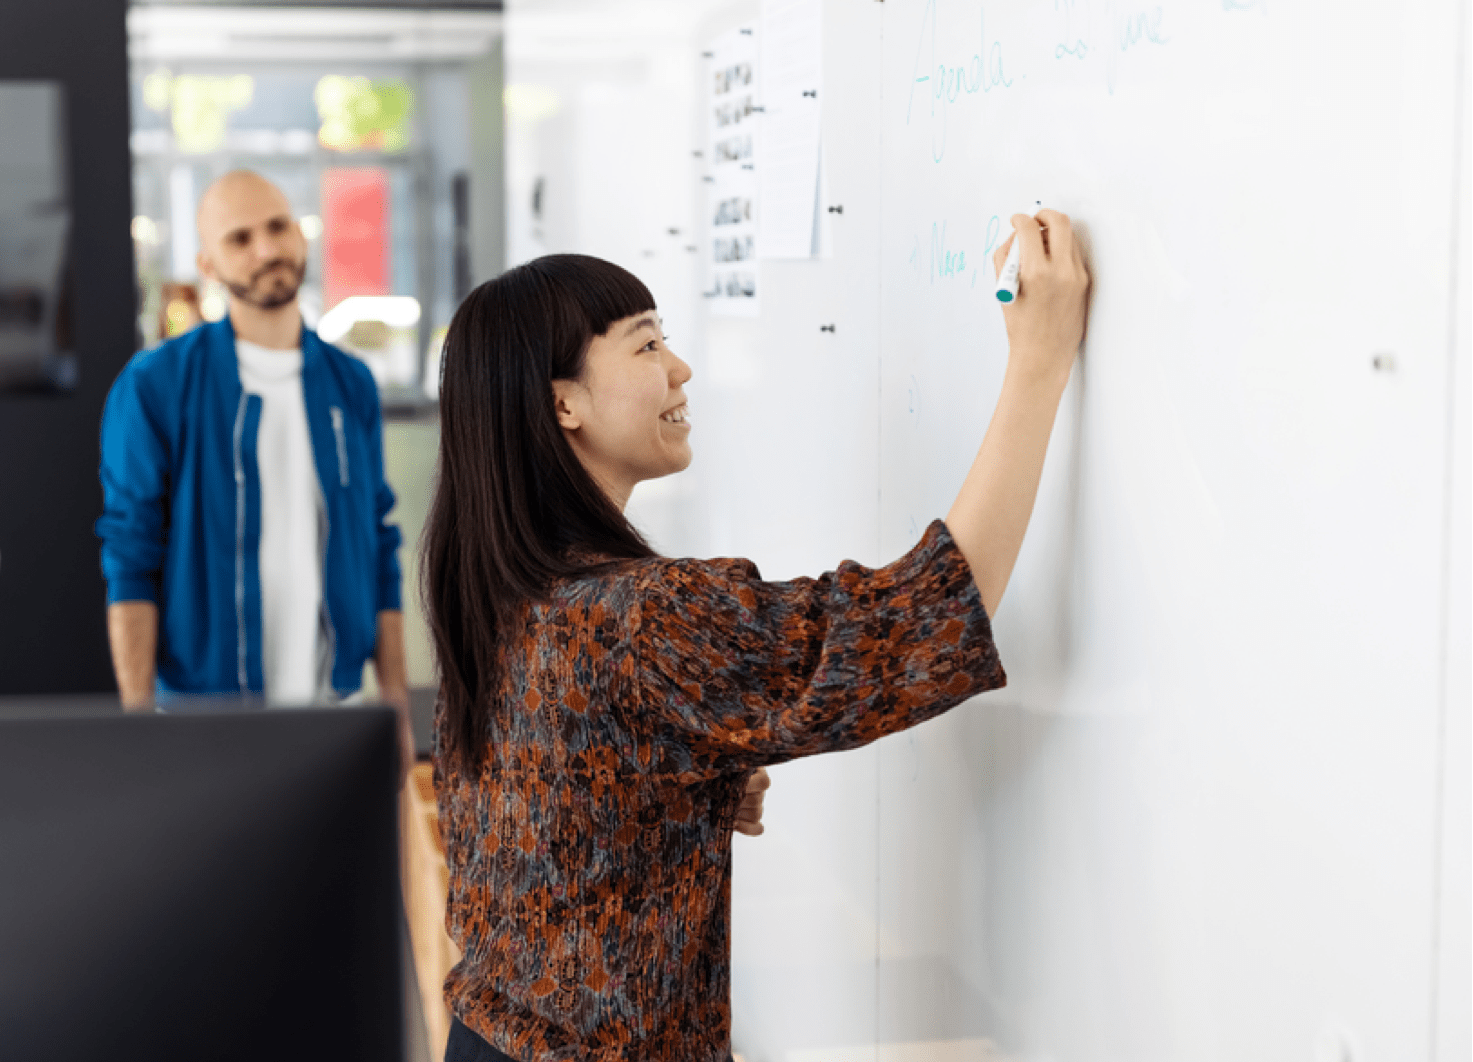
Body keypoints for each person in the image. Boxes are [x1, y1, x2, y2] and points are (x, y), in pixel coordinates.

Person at [421, 212, 1091, 1060]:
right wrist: (1038, 363)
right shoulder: (641, 618)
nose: (680, 367)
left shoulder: (498, 588)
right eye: (645, 345)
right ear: (564, 404)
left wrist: (671, 791)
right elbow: (922, 617)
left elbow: (533, 811)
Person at [97, 170, 413, 755]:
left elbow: (378, 543)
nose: (266, 249)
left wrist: (395, 704)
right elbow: (131, 556)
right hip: (201, 720)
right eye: (239, 239)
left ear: (301, 233)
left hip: (333, 712)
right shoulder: (155, 385)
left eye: (277, 227)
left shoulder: (352, 384)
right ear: (207, 266)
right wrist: (137, 729)